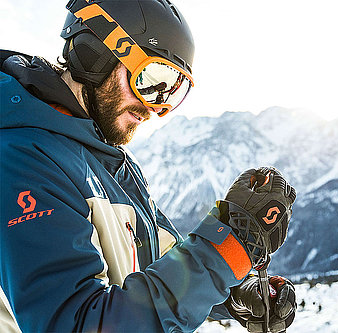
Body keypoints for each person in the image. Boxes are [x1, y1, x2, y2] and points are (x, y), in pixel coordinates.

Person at [0, 0, 297, 332]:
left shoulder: (113, 161)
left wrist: (234, 292)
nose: (154, 107)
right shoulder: (22, 158)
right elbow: (79, 323)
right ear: (94, 52)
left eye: (171, 91)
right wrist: (228, 246)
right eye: (151, 79)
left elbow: (160, 260)